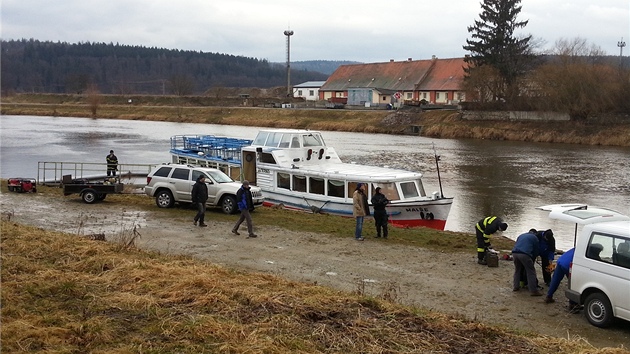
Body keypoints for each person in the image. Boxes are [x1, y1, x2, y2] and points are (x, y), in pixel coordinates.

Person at [544, 248, 579, 312]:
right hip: (568, 265)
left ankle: (549, 296)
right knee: (572, 284)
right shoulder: (587, 251)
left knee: (555, 279)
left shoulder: (578, 247)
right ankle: (573, 304)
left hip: (561, 261)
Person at [512, 229, 543, 296]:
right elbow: (536, 250)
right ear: (535, 233)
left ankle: (516, 286)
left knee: (517, 270)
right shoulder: (534, 237)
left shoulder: (521, 235)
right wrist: (534, 257)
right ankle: (533, 291)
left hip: (514, 253)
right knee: (531, 272)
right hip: (524, 254)